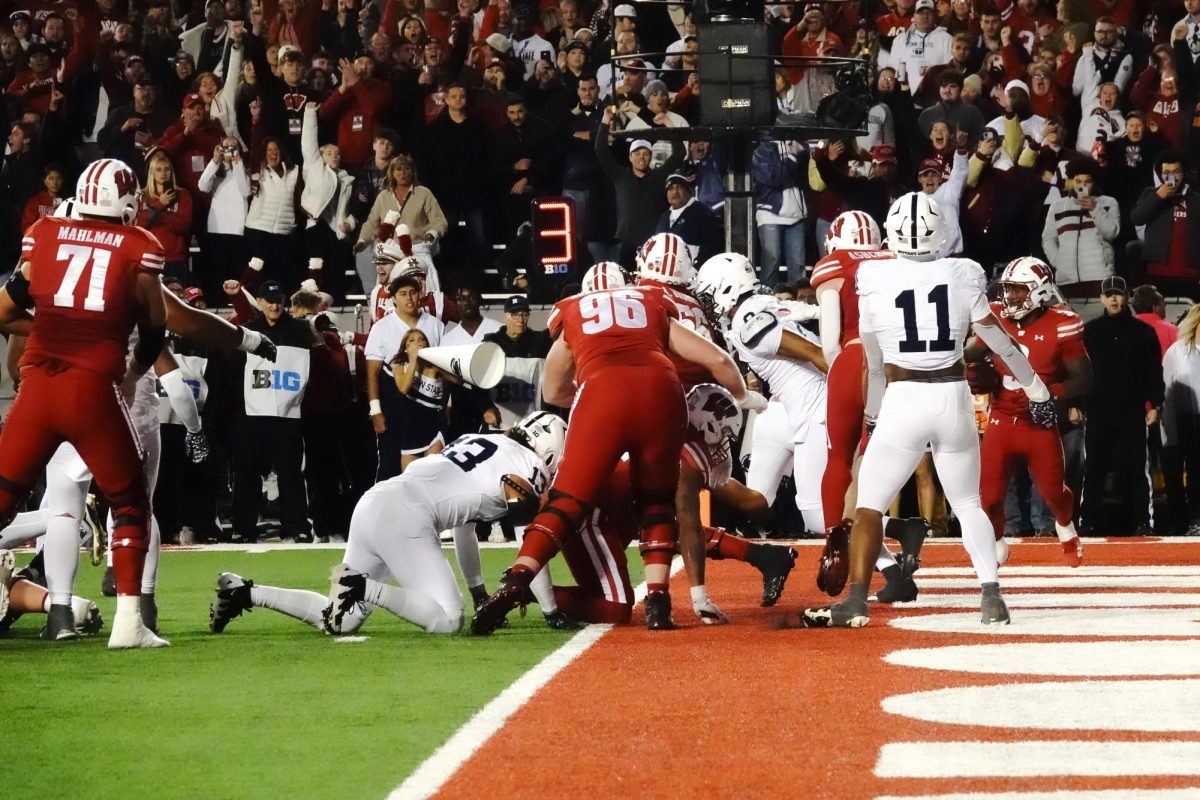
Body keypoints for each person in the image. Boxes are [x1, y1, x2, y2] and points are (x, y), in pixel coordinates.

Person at [801, 193, 1054, 629]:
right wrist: (1036, 389)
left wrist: (875, 415)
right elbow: (1000, 344)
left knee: (869, 506)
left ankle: (857, 601)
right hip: (952, 394)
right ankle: (991, 597)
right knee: (968, 503)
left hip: (903, 396)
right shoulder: (965, 272)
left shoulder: (873, 276)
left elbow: (874, 363)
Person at [471, 279, 767, 634]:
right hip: (662, 389)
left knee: (567, 501)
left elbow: (552, 391)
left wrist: (597, 397)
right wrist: (745, 399)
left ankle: (518, 579)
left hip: (601, 390)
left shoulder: (574, 309)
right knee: (657, 501)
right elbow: (718, 359)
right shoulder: (650, 301)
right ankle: (658, 600)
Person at [0, 159, 169, 649]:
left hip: (37, 385)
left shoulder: (45, 232)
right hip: (92, 388)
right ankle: (129, 624)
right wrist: (135, 366)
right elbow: (155, 324)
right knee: (131, 501)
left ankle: (62, 607)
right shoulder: (139, 246)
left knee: (6, 498)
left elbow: (9, 307)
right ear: (127, 203)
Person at [210, 412, 566, 636]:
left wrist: (478, 593)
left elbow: (464, 526)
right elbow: (530, 537)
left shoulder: (481, 439)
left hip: (377, 500)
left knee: (340, 620)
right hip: (407, 515)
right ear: (549, 450)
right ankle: (363, 587)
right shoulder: (529, 465)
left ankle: (242, 591)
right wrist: (550, 612)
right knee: (448, 620)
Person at [553, 385, 798, 624]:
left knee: (667, 523)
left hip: (615, 514)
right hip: (589, 521)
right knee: (616, 607)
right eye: (722, 432)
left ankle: (764, 555)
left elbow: (744, 504)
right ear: (706, 425)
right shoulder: (682, 456)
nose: (724, 442)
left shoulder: (673, 434)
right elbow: (694, 523)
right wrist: (699, 597)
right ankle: (539, 592)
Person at [810, 211, 931, 603]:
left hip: (853, 357)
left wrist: (844, 371)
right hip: (900, 364)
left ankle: (835, 545)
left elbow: (830, 341)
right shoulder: (897, 258)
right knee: (871, 469)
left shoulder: (835, 264)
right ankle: (893, 558)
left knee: (838, 460)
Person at [966, 257, 1092, 567]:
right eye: (1008, 290)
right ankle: (996, 539)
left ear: (1040, 291)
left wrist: (1052, 396)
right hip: (1002, 419)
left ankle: (1065, 524)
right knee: (990, 496)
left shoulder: (1063, 322)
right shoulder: (996, 316)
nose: (1011, 297)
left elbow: (1084, 378)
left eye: (1019, 291)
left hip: (1039, 422)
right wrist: (973, 370)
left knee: (1053, 492)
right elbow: (970, 353)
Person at [695, 250, 829, 541]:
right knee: (756, 498)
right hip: (785, 408)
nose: (708, 302)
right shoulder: (762, 303)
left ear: (727, 287)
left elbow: (818, 355)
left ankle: (895, 529)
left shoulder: (747, 322)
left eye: (710, 293)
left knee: (816, 516)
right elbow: (807, 316)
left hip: (814, 407)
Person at [230, 279, 321, 545]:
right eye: (269, 300)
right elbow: (234, 372)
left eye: (278, 300)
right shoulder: (248, 330)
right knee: (246, 473)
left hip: (287, 415)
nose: (274, 305)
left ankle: (296, 527)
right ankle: (243, 528)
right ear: (259, 302)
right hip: (251, 414)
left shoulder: (300, 330)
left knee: (290, 473)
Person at [1080, 276, 1165, 535]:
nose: (1114, 298)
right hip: (1098, 411)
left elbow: (1153, 371)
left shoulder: (1143, 333)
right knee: (1093, 467)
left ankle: (1142, 523)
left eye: (1118, 294)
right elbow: (1080, 371)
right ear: (1101, 298)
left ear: (1127, 296)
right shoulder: (1090, 332)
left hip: (1131, 410)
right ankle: (1087, 522)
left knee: (1137, 468)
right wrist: (1077, 403)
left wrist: (1156, 404)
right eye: (1110, 294)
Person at [366, 272, 445, 481]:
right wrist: (376, 410)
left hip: (427, 403)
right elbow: (372, 371)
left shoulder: (435, 325)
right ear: (393, 298)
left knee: (431, 468)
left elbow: (443, 369)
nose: (409, 298)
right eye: (402, 294)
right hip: (395, 401)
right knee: (390, 464)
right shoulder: (381, 327)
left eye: (412, 293)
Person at [1042, 159, 1120, 295]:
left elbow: (1112, 232)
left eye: (1087, 181)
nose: (1082, 185)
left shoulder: (1108, 203)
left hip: (1100, 277)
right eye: (1078, 181)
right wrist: (1059, 262)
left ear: (1094, 182)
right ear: (1072, 182)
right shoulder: (1057, 206)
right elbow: (1048, 239)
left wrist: (1095, 208)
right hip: (1066, 280)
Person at [1129, 151, 1200, 299]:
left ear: (1184, 173)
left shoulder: (1196, 199)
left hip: (1190, 274)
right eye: (1167, 172)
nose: (1172, 177)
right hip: (1156, 272)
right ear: (1160, 175)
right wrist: (1158, 197)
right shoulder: (1150, 193)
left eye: (1176, 172)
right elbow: (1137, 218)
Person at [653, 172, 720, 268]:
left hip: (692, 277)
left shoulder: (703, 213)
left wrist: (696, 270)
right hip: (665, 275)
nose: (675, 192)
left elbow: (711, 247)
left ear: (688, 190)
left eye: (679, 187)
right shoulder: (663, 218)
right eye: (670, 189)